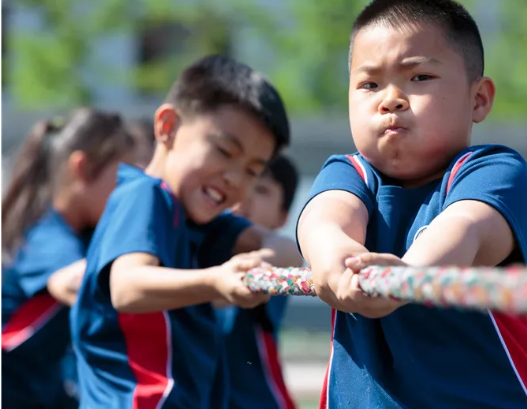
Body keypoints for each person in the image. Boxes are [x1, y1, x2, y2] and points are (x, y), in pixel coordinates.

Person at [297, 0, 527, 409]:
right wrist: (336, 260)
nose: (390, 99)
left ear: (478, 99)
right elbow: (324, 223)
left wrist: (404, 276)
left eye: (419, 77)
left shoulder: (495, 172)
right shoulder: (346, 174)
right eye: (369, 84)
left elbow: (466, 229)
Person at [70, 54, 303, 409]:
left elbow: (285, 248)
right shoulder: (145, 196)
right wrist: (217, 281)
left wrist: (258, 263)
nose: (235, 179)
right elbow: (128, 286)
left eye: (253, 171)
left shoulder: (203, 224)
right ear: (168, 127)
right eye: (224, 151)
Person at [1, 109, 135, 409]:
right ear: (83, 168)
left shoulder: (85, 233)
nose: (131, 193)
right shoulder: (42, 232)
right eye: (123, 176)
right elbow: (74, 282)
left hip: (43, 390)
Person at [202, 155, 300, 409]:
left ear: (282, 217)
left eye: (262, 189)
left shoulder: (268, 263)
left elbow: (290, 254)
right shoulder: (193, 247)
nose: (245, 196)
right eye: (241, 182)